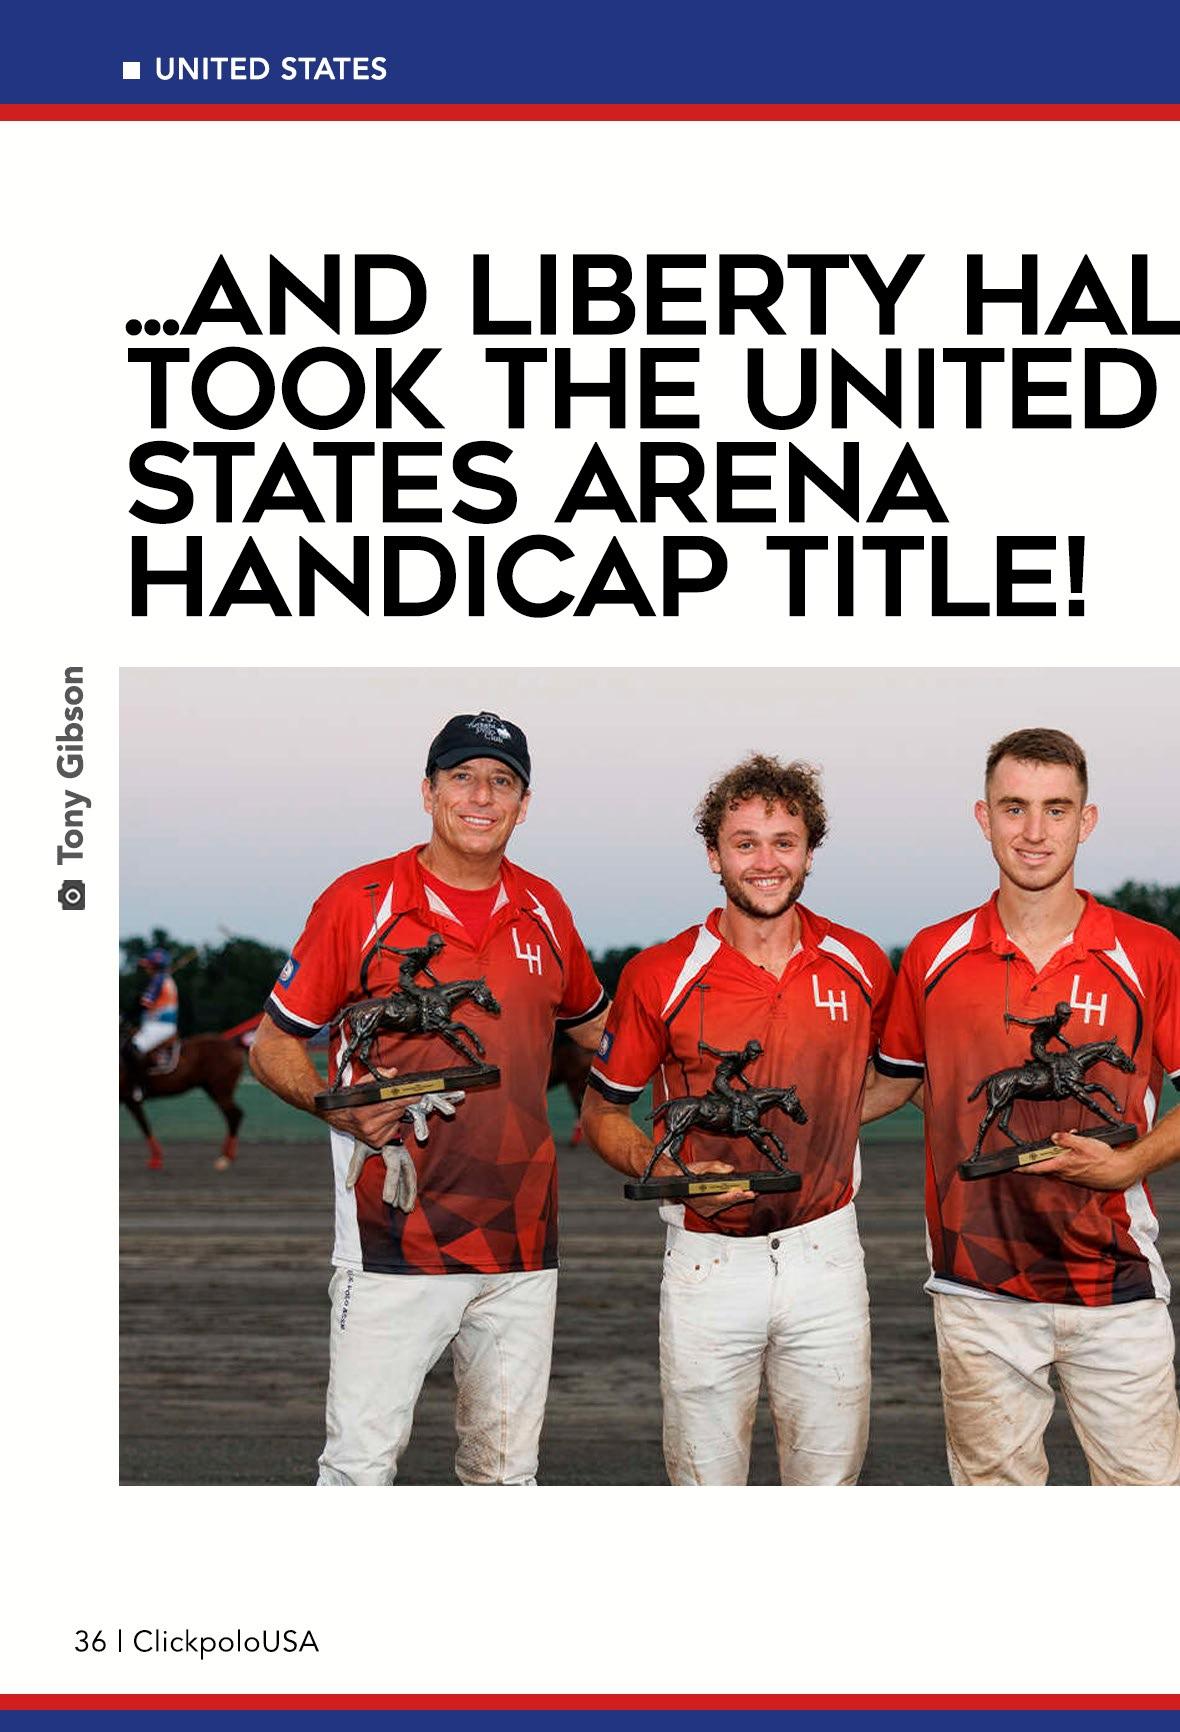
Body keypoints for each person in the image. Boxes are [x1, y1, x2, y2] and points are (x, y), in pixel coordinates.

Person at [249, 711, 608, 1486]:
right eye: (462, 777)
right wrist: (333, 1103)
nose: (482, 796)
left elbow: (598, 1029)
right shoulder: (361, 899)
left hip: (521, 1245)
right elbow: (272, 1045)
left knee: (505, 1475)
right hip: (394, 1241)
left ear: (523, 804)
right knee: (360, 1470)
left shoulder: (545, 906)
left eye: (502, 782)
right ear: (428, 792)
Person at [867, 726, 1180, 1485]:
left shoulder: (1151, 952)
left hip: (1117, 1287)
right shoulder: (934, 952)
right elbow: (893, 1084)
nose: (1034, 832)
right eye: (1014, 808)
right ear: (984, 818)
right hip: (978, 1290)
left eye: (1055, 809)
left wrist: (1130, 1163)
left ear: (1086, 820)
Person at [580, 754, 893, 1486]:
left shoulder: (861, 961)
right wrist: (674, 1174)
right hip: (708, 1265)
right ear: (713, 855)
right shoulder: (659, 973)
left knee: (828, 1488)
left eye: (784, 842)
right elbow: (602, 1113)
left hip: (827, 1257)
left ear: (810, 853)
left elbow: (896, 1081)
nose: (765, 861)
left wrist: (829, 1125)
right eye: (745, 842)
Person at [123, 946, 180, 1100]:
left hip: (160, 1026)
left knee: (131, 1049)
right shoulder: (164, 979)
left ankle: (140, 1086)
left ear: (155, 966)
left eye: (148, 965)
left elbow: (144, 1003)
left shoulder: (158, 980)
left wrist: (125, 1017)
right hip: (155, 1025)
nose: (145, 968)